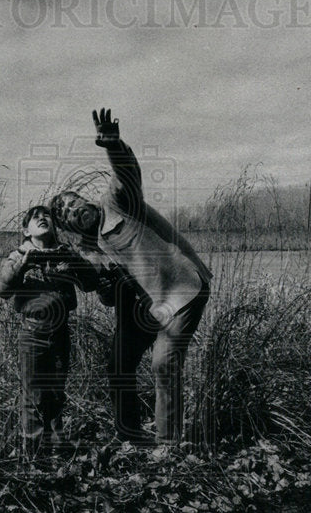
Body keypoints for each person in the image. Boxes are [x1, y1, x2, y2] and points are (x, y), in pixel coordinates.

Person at [50, 108, 212, 446]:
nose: (72, 209)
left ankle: (168, 446)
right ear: (68, 227)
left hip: (180, 290)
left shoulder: (118, 202)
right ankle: (132, 437)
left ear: (84, 199)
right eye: (65, 214)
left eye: (72, 201)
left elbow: (126, 172)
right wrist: (97, 283)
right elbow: (108, 297)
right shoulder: (88, 250)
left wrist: (113, 144)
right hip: (144, 308)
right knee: (118, 366)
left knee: (163, 363)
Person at [0, 205, 98, 456]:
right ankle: (35, 451)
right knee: (33, 395)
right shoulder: (19, 255)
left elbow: (91, 283)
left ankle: (57, 445)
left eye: (47, 215)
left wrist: (75, 263)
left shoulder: (66, 254)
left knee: (56, 392)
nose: (42, 218)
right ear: (25, 230)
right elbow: (1, 289)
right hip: (33, 334)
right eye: (34, 217)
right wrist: (22, 268)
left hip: (61, 333)